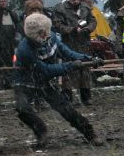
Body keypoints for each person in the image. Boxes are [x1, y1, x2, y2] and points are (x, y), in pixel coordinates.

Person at [13, 13, 105, 148]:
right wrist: (70, 66)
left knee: (66, 109)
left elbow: (67, 53)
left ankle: (90, 134)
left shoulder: (52, 38)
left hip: (45, 82)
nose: (48, 33)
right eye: (44, 32)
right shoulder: (24, 50)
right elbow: (45, 70)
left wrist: (89, 59)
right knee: (22, 109)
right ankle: (41, 131)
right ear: (37, 34)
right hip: (25, 82)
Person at [52, 0, 97, 106]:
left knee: (85, 70)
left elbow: (93, 21)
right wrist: (71, 30)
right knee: (68, 70)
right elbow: (57, 25)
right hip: (68, 44)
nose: (76, 1)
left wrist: (88, 29)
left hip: (84, 43)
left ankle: (86, 97)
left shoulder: (85, 7)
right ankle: (67, 97)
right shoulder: (60, 9)